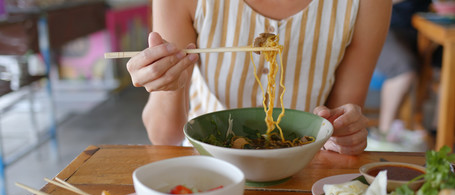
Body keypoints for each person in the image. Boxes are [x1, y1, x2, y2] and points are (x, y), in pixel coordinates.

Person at [126, 0, 392, 155]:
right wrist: (171, 85)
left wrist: (345, 130)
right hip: (206, 162)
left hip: (302, 165)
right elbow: (164, 137)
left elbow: (337, 124)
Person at [374, 0, 430, 144]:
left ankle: (430, 128)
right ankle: (384, 134)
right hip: (384, 28)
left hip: (420, 33)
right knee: (403, 69)